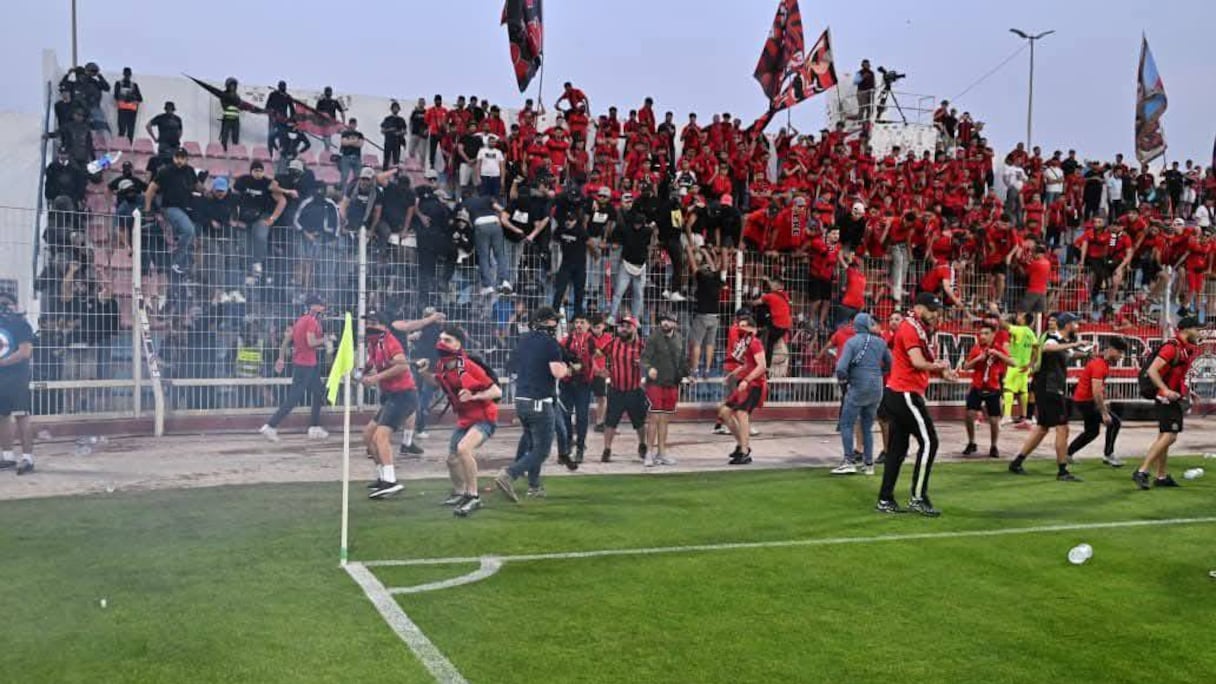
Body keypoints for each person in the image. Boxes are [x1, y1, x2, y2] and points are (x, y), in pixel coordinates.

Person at [877, 292, 957, 517]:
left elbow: (923, 363)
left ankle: (885, 498)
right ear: (919, 309)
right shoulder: (911, 328)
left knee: (897, 449)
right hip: (905, 394)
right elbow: (918, 362)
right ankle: (918, 497)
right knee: (930, 442)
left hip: (898, 392)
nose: (935, 315)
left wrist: (942, 372)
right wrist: (941, 366)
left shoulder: (915, 327)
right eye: (932, 310)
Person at [418, 325, 501, 517]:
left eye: (447, 340)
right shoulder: (442, 365)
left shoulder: (469, 366)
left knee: (463, 449)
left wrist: (474, 396)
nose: (442, 343)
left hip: (484, 418)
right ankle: (459, 493)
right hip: (465, 419)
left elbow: (497, 391)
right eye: (441, 339)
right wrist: (423, 372)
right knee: (452, 459)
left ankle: (473, 496)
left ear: (458, 345)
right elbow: (437, 382)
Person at [495, 307, 570, 501]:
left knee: (532, 444)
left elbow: (511, 366)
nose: (556, 324)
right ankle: (509, 474)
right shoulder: (550, 343)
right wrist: (566, 368)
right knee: (542, 450)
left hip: (521, 399)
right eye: (554, 320)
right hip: (540, 401)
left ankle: (534, 486)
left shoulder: (524, 340)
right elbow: (557, 372)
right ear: (545, 322)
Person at [1008, 312, 1087, 481]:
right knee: (1062, 427)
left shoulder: (1063, 342)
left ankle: (1017, 462)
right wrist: (1075, 343)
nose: (1077, 326)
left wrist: (1087, 354)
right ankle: (1062, 471)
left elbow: (1070, 353)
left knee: (1043, 427)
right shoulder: (1052, 338)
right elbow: (1048, 348)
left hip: (1047, 388)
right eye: (1075, 323)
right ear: (1067, 325)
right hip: (1050, 388)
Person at [1133, 316, 1201, 489]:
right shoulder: (1172, 347)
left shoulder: (1184, 349)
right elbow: (1152, 370)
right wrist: (1165, 390)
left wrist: (1186, 392)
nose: (1199, 333)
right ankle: (1142, 471)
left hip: (1172, 397)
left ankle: (1161, 476)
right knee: (1170, 435)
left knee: (1165, 436)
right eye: (1197, 329)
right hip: (1166, 398)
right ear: (1186, 330)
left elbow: (1177, 375)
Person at [360, 311, 417, 499]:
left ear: (383, 327)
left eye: (373, 322)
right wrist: (362, 373)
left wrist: (376, 377)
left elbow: (402, 365)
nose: (369, 326)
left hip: (403, 395)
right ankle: (383, 477)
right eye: (368, 322)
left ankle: (391, 481)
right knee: (368, 435)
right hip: (391, 397)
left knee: (380, 436)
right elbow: (371, 363)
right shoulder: (373, 344)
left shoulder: (390, 342)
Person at [259, 296, 330, 442]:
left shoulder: (300, 320)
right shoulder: (310, 321)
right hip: (305, 365)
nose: (323, 308)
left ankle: (314, 427)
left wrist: (281, 358)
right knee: (294, 398)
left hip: (307, 364)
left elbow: (287, 339)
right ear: (313, 307)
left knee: (319, 393)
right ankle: (270, 426)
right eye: (321, 305)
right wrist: (325, 340)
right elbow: (311, 342)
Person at [833, 313, 892, 476]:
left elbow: (841, 368)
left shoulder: (852, 342)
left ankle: (849, 461)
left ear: (856, 325)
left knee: (846, 423)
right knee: (867, 426)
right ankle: (868, 464)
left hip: (858, 386)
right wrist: (880, 373)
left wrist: (844, 381)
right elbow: (890, 363)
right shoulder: (880, 342)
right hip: (877, 388)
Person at [386, 310, 447, 457]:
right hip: (398, 367)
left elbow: (410, 329)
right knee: (393, 407)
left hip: (409, 366)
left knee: (410, 405)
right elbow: (408, 326)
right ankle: (379, 440)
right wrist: (431, 319)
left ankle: (406, 442)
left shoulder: (425, 333)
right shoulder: (392, 324)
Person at [1068, 338, 1128, 468]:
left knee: (1092, 432)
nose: (1121, 356)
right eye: (1120, 352)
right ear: (1111, 350)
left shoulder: (1102, 361)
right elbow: (1096, 391)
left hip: (1084, 400)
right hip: (1086, 401)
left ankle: (1068, 454)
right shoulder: (1099, 365)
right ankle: (1108, 455)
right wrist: (1104, 413)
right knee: (1114, 423)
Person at [962, 321, 1015, 460]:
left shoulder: (998, 348)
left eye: (986, 333)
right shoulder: (976, 348)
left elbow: (1013, 362)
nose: (982, 336)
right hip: (977, 386)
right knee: (969, 415)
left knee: (994, 420)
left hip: (993, 387)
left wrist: (998, 354)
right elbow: (966, 366)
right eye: (981, 333)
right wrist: (978, 359)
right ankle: (971, 442)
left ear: (993, 335)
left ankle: (994, 446)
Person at [143, 148, 201, 277]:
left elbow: (198, 185)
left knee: (192, 234)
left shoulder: (190, 171)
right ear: (173, 158)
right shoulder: (165, 171)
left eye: (182, 158)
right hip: (170, 207)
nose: (179, 160)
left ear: (186, 159)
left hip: (185, 208)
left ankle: (182, 263)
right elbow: (150, 190)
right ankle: (175, 260)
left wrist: (207, 192)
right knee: (188, 230)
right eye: (177, 157)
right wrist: (147, 210)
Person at [641, 312, 689, 467]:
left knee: (665, 419)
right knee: (654, 417)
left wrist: (688, 374)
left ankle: (661, 452)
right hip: (656, 383)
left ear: (675, 323)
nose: (665, 323)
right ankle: (649, 452)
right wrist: (649, 369)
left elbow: (682, 360)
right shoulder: (653, 338)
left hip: (672, 383)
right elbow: (645, 358)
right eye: (663, 320)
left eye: (668, 320)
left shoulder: (679, 338)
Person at [598, 316, 649, 463]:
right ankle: (607, 449)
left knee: (639, 422)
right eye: (621, 326)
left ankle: (642, 444)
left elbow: (653, 362)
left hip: (634, 389)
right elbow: (597, 355)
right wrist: (601, 369)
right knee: (610, 422)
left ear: (634, 328)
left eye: (628, 326)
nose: (624, 329)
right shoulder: (613, 343)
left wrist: (643, 365)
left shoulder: (642, 345)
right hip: (616, 389)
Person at [720, 313, 767, 465]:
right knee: (724, 412)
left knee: (741, 413)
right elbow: (748, 364)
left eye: (744, 326)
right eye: (740, 326)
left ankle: (744, 451)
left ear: (752, 328)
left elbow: (762, 366)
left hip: (754, 385)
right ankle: (742, 444)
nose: (741, 329)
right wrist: (733, 374)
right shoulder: (746, 343)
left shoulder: (755, 343)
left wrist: (746, 380)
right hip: (746, 383)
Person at [0, 292, 35, 475]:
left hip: (17, 377)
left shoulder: (21, 325)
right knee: (2, 416)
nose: (3, 307)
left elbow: (24, 352)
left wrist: (2, 363)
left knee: (22, 415)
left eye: (6, 304)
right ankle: (7, 456)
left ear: (14, 305)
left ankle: (27, 458)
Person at [558, 314, 597, 466]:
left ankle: (580, 448)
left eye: (582, 322)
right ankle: (567, 446)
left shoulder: (591, 341)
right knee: (565, 415)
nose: (579, 325)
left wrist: (580, 366)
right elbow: (558, 356)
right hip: (567, 384)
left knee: (582, 416)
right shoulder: (567, 340)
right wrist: (565, 367)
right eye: (577, 322)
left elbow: (589, 360)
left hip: (583, 384)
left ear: (588, 325)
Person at [1002, 312, 1038, 429]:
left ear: (1024, 320)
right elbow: (1036, 348)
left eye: (1020, 316)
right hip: (1025, 366)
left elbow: (1004, 325)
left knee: (1008, 389)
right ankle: (1025, 416)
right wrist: (1030, 364)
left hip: (1014, 363)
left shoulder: (1020, 330)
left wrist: (996, 313)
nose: (1017, 317)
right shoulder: (1031, 333)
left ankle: (1007, 415)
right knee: (1023, 391)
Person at [113, 67, 143, 143]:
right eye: (126, 74)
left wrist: (132, 98)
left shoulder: (134, 85)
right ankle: (120, 145)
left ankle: (129, 146)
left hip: (132, 111)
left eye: (128, 74)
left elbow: (140, 99)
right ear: (123, 74)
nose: (127, 76)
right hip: (122, 109)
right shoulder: (119, 84)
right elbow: (116, 96)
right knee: (122, 129)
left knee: (131, 130)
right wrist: (125, 97)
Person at [380, 101, 407, 169]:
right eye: (394, 108)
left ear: (399, 109)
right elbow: (382, 131)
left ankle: (396, 173)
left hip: (397, 142)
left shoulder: (401, 120)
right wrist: (390, 130)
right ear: (391, 109)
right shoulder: (387, 119)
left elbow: (405, 131)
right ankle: (384, 172)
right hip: (388, 141)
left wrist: (399, 133)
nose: (395, 109)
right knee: (386, 159)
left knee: (396, 160)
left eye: (397, 108)